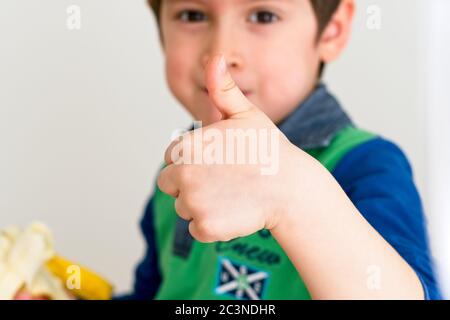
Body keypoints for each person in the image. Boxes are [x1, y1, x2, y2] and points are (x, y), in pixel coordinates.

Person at [118, 0, 441, 300]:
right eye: (193, 15)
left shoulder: (366, 165)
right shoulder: (181, 169)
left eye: (263, 16)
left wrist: (294, 198)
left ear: (333, 30)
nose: (221, 53)